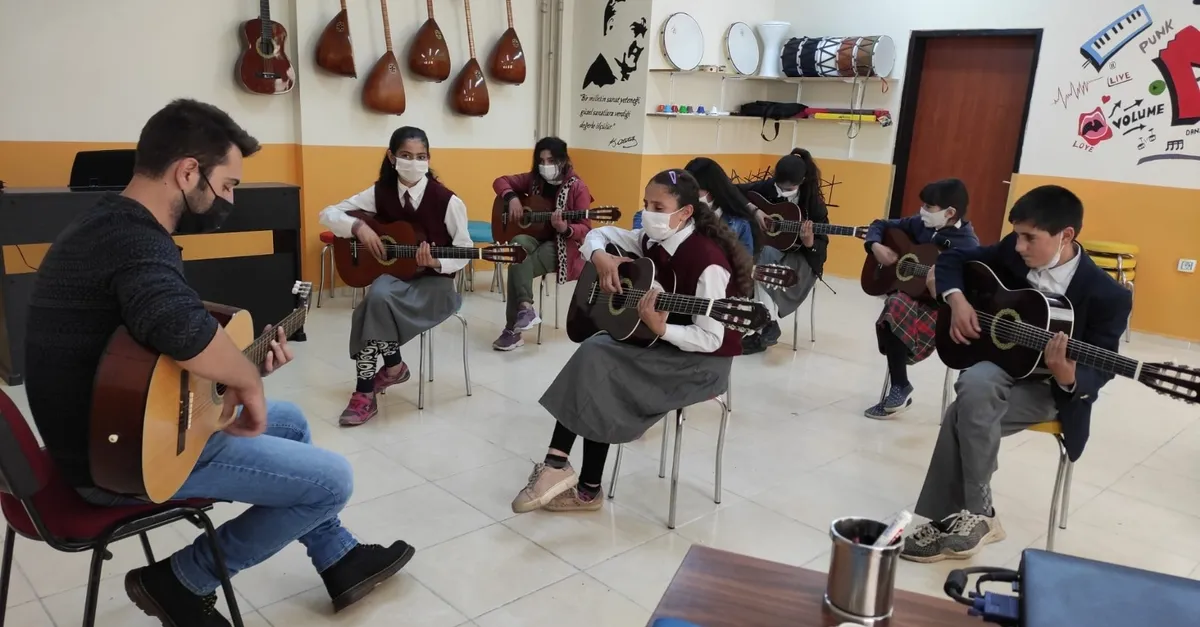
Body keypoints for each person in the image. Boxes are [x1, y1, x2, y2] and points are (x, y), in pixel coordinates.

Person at [23, 99, 412, 626]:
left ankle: (338, 557)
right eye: (227, 185)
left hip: (112, 429)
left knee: (292, 423)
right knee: (333, 482)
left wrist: (232, 373)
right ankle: (181, 580)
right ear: (188, 172)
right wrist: (245, 377)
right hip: (121, 459)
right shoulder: (134, 241)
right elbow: (178, 327)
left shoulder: (107, 223)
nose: (229, 199)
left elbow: (151, 349)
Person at [901, 185, 1132, 563]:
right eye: (1017, 235)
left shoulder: (1108, 295)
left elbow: (1102, 366)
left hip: (1049, 389)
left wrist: (1067, 374)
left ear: (1066, 235)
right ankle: (980, 514)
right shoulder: (1013, 248)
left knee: (963, 410)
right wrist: (956, 300)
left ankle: (957, 518)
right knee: (976, 383)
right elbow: (953, 258)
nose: (1019, 246)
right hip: (1001, 365)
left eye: (1030, 238)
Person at [510, 169, 753, 512]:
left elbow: (711, 338)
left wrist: (663, 330)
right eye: (646, 203)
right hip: (660, 343)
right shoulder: (652, 240)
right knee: (599, 357)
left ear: (685, 212)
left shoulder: (707, 262)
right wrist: (600, 257)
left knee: (599, 360)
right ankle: (575, 480)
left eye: (658, 206)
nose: (648, 213)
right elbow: (600, 234)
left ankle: (564, 471)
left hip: (699, 363)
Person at [319, 127, 473, 426]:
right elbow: (328, 213)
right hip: (396, 280)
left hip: (435, 286)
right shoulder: (380, 192)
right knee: (379, 293)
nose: (414, 163)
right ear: (392, 158)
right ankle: (385, 373)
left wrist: (437, 262)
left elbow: (465, 250)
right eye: (406, 155)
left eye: (421, 157)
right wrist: (359, 228)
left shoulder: (447, 201)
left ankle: (375, 383)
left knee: (374, 300)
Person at [861, 179, 979, 418]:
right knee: (895, 303)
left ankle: (900, 376)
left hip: (939, 309)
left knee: (895, 307)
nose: (922, 211)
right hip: (909, 298)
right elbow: (880, 224)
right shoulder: (921, 224)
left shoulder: (967, 245)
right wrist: (874, 245)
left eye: (929, 207)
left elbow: (969, 291)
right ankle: (900, 385)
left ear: (950, 213)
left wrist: (942, 288)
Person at [491, 137, 594, 351]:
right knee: (517, 245)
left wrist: (565, 228)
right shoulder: (534, 180)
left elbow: (585, 228)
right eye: (541, 161)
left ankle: (513, 329)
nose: (545, 165)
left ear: (563, 160)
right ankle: (525, 309)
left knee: (518, 263)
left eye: (551, 161)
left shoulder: (578, 187)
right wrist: (512, 198)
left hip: (562, 246)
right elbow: (500, 181)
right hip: (534, 238)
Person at [737, 148, 828, 353]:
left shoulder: (812, 203)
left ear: (802, 181)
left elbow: (821, 247)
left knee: (759, 263)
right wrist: (755, 210)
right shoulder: (766, 188)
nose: (783, 191)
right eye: (779, 186)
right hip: (767, 251)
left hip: (800, 258)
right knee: (753, 259)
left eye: (790, 188)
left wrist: (810, 242)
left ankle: (764, 324)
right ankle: (764, 326)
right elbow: (731, 191)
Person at [631, 157, 754, 255]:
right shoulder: (653, 216)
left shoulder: (739, 224)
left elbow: (744, 267)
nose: (689, 193)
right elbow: (639, 248)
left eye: (696, 189)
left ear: (713, 191)